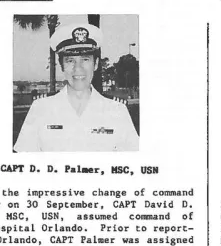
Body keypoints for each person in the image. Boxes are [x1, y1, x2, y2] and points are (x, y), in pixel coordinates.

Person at [15, 22, 139, 152]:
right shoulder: (40, 109)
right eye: (70, 61)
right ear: (62, 65)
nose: (78, 68)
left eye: (85, 59)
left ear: (96, 64)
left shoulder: (118, 111)